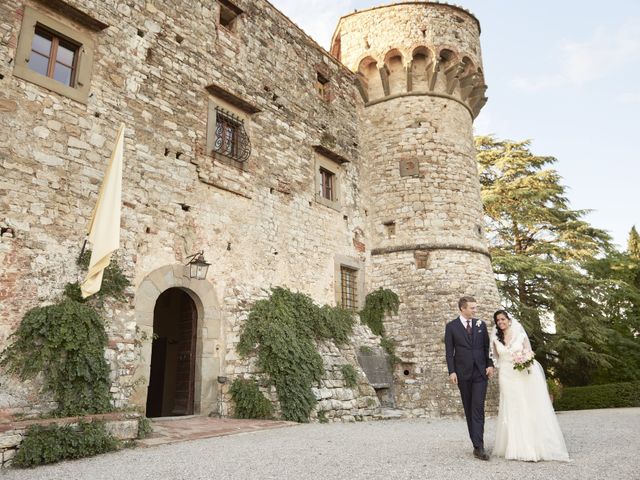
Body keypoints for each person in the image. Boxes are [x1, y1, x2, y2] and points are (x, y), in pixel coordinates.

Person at [491, 309, 570, 462]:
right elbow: (494, 358)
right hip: (506, 376)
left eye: (502, 319)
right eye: (498, 321)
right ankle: (513, 446)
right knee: (511, 408)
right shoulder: (495, 338)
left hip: (521, 375)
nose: (500, 322)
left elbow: (529, 354)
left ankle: (531, 445)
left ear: (509, 320)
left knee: (525, 406)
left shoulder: (520, 335)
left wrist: (524, 361)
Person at [445, 296, 494, 460]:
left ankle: (479, 447)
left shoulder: (481, 325)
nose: (475, 310)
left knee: (478, 408)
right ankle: (475, 443)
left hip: (480, 373)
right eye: (472, 308)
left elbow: (488, 347)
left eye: (475, 307)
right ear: (462, 308)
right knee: (468, 408)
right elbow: (449, 352)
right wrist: (452, 371)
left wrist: (490, 364)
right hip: (462, 373)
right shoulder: (451, 327)